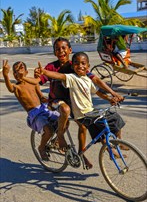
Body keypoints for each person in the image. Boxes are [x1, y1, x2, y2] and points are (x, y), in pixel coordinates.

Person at [33, 37, 124, 168]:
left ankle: (82, 154)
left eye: (64, 48)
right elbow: (38, 81)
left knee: (85, 126)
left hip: (74, 103)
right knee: (65, 110)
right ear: (54, 52)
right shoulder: (52, 67)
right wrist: (40, 92)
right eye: (57, 49)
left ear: (70, 50)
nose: (61, 51)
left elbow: (96, 81)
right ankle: (59, 138)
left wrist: (113, 94)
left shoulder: (76, 65)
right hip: (56, 102)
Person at [2, 60, 60, 161]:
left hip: (44, 109)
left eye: (20, 70)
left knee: (64, 120)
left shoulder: (33, 83)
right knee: (48, 130)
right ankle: (41, 147)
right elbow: (10, 88)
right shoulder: (17, 87)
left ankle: (57, 141)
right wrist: (5, 75)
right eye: (15, 72)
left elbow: (41, 97)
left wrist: (49, 100)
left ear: (26, 72)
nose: (18, 73)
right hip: (35, 115)